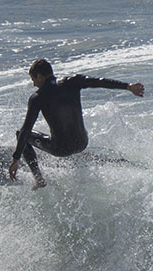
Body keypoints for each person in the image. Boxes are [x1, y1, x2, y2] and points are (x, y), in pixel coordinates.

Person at [9, 59, 144, 189]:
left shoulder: (37, 98)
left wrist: (16, 159)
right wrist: (127, 86)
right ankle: (75, 156)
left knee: (20, 134)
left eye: (33, 80)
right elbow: (98, 82)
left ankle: (39, 179)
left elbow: (26, 130)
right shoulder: (72, 82)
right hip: (82, 143)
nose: (34, 84)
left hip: (60, 149)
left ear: (39, 76)